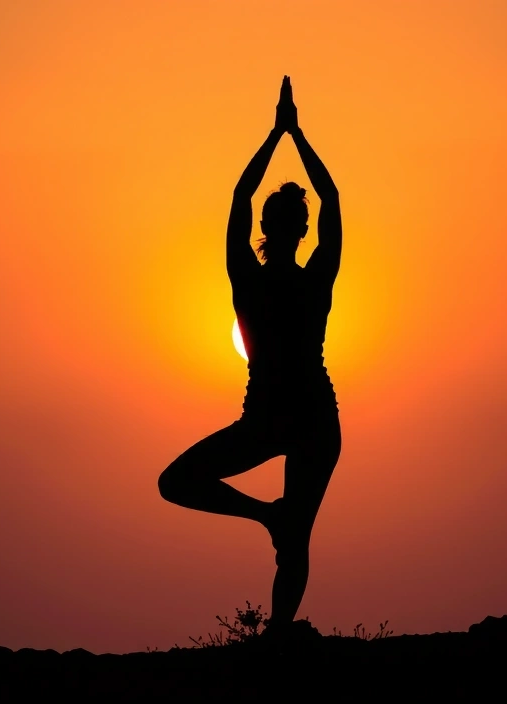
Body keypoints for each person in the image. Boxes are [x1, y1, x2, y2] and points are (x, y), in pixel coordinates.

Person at [158, 76, 342, 637]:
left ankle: (279, 632)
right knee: (288, 533)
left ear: (278, 228)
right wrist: (292, 135)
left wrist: (279, 134)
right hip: (277, 419)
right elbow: (328, 199)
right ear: (289, 229)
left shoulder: (260, 278)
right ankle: (271, 526)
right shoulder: (306, 278)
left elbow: (243, 198)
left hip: (298, 420)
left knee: (285, 532)